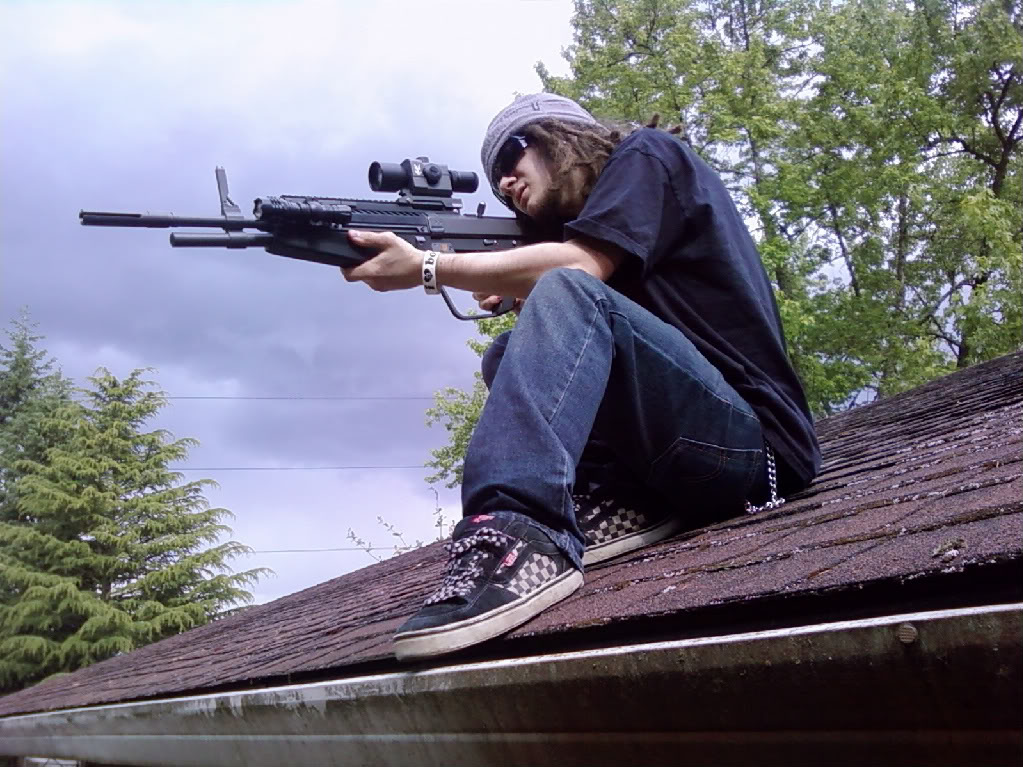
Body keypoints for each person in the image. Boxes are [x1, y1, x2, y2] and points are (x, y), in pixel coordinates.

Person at [341, 93, 820, 661]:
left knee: (565, 287)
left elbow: (578, 269)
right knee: (507, 351)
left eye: (511, 158)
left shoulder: (649, 155)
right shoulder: (608, 237)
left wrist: (430, 266)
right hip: (683, 458)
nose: (505, 184)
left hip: (757, 453)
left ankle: (517, 532)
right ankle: (620, 497)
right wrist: (522, 291)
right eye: (496, 184)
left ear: (557, 135)